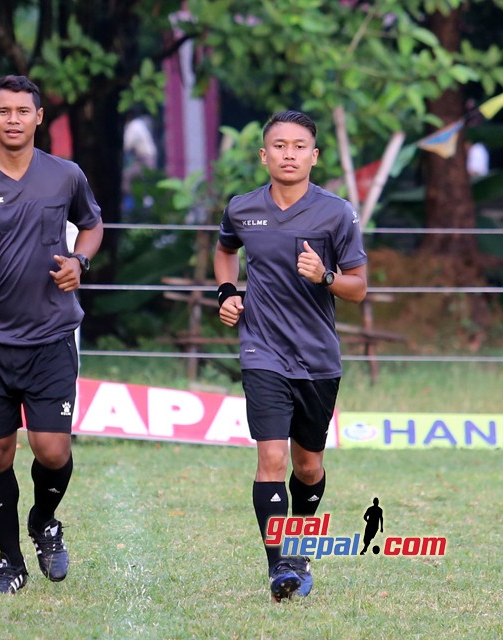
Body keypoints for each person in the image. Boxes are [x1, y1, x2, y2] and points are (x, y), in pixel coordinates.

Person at [0, 75, 104, 594]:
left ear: (37, 118)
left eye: (22, 111)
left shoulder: (65, 176)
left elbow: (92, 226)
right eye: (2, 111)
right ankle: (9, 563)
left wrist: (81, 260)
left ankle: (44, 520)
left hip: (52, 336)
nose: (12, 119)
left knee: (52, 450)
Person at [213, 110, 367, 602]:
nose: (288, 154)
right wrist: (225, 293)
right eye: (279, 146)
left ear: (314, 156)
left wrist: (324, 276)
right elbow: (224, 251)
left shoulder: (336, 213)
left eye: (299, 146)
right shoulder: (243, 209)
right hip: (262, 350)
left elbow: (359, 288)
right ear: (264, 155)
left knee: (307, 467)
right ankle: (281, 565)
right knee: (272, 457)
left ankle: (300, 546)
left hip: (318, 357)